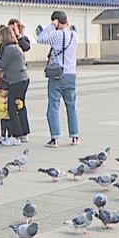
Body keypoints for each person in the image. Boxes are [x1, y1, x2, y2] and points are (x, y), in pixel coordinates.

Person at [37, 10, 79, 147]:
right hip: (71, 74)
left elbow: (41, 38)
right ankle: (75, 136)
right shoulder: (75, 35)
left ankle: (55, 138)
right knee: (71, 106)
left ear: (56, 21)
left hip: (57, 75)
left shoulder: (56, 35)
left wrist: (51, 25)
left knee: (53, 106)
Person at [0, 26, 31, 145]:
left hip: (16, 81)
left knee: (12, 108)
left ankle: (16, 135)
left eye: (0, 37)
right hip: (24, 79)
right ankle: (24, 133)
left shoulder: (9, 49)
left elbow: (2, 65)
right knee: (21, 106)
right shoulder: (17, 47)